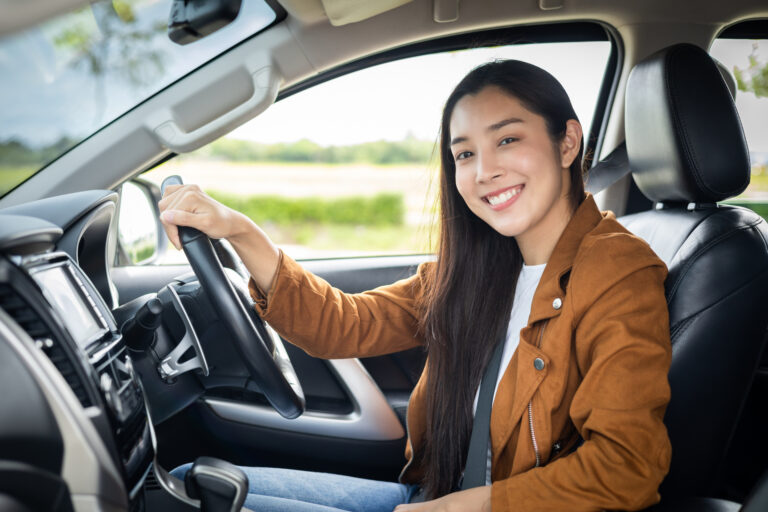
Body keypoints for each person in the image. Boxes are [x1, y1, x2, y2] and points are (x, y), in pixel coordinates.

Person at [159, 60, 672, 512]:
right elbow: (344, 325)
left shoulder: (619, 274)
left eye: (507, 140)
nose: (484, 171)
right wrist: (240, 231)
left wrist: (465, 508)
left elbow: (626, 466)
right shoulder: (482, 264)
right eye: (464, 154)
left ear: (567, 143)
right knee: (188, 487)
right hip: (432, 496)